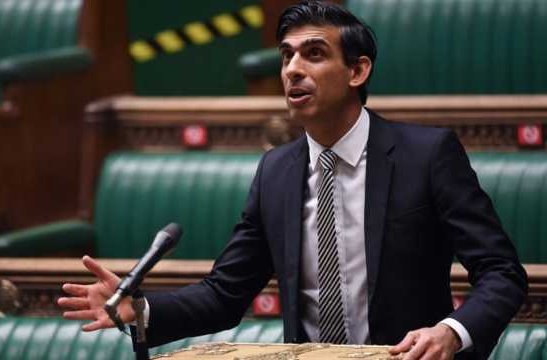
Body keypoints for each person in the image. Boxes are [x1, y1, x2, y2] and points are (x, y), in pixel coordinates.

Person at [59, 2, 527, 360]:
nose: (292, 69)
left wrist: (452, 331)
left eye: (314, 54)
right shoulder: (276, 171)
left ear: (358, 70)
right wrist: (137, 309)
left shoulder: (426, 155)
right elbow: (225, 294)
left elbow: (502, 273)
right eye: (286, 55)